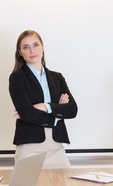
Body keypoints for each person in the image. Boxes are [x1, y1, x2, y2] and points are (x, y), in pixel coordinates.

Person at [9, 30, 78, 169]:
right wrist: (57, 115)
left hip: (56, 147)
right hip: (29, 148)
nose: (32, 50)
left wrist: (46, 107)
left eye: (35, 45)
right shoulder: (17, 78)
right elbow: (28, 114)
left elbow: (72, 109)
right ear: (20, 52)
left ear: (42, 47)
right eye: (25, 47)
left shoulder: (57, 78)